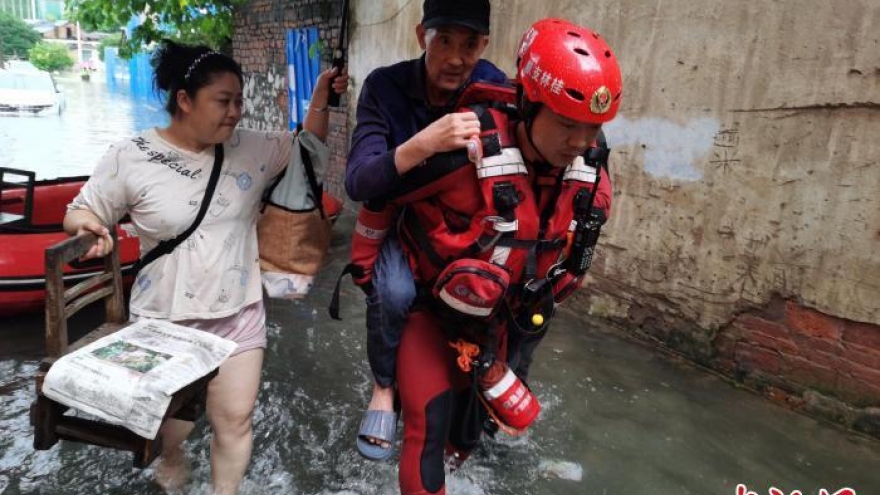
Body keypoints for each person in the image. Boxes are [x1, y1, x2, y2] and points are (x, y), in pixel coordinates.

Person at [63, 40, 347, 495]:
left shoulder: (252, 148)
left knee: (235, 420)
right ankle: (172, 462)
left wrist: (320, 96)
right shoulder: (130, 156)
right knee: (171, 431)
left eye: (240, 100)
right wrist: (91, 227)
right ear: (184, 100)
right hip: (163, 319)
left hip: (239, 313)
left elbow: (306, 146)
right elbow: (80, 209)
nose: (236, 111)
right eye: (223, 101)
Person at [357, 18, 623, 494]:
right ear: (528, 103)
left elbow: (574, 243)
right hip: (429, 311)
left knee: (467, 436)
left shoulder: (589, 169)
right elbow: (373, 191)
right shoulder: (466, 153)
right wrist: (419, 147)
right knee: (430, 424)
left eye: (593, 128)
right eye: (566, 124)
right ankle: (384, 387)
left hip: (497, 320)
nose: (581, 143)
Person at [344, 0, 507, 460]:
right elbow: (358, 182)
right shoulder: (384, 87)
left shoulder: (495, 87)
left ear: (484, 45)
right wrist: (423, 144)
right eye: (444, 41)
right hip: (404, 223)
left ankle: (487, 387)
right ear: (421, 37)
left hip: (471, 228)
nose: (456, 57)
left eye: (469, 44)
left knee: (507, 296)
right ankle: (383, 386)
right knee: (394, 293)